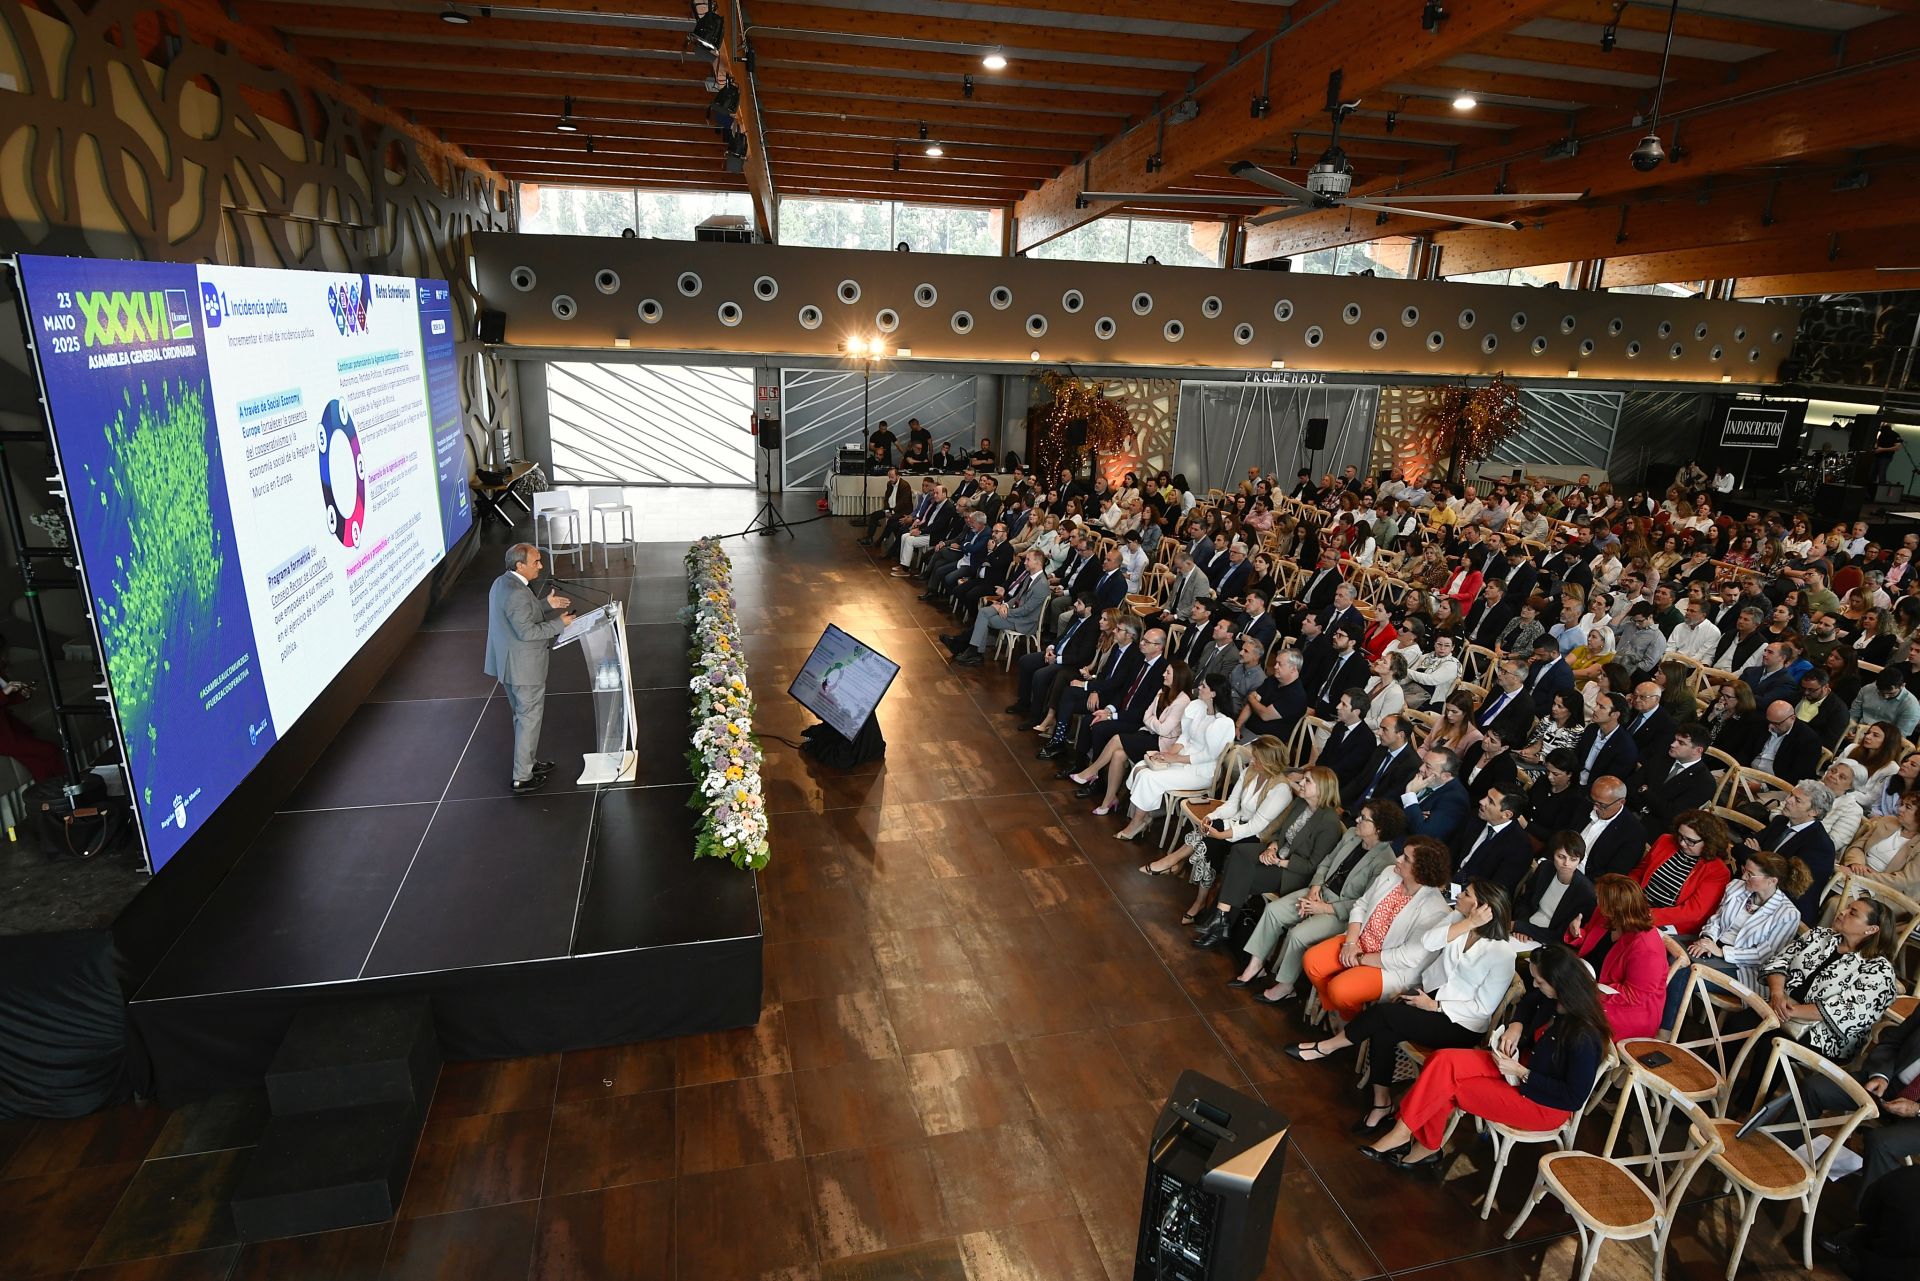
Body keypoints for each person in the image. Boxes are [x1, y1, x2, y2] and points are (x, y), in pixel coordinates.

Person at [1289, 880, 1517, 1138]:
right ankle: (1381, 1102)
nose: (1459, 895)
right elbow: (1429, 942)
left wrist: (1436, 1006)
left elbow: (1483, 1008)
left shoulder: (1502, 954)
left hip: (1459, 1023)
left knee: (1385, 1014)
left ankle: (1328, 1047)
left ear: (1478, 906)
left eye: (1465, 894)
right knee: (1384, 1030)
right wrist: (1467, 924)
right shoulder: (1458, 920)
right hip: (1428, 996)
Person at [1359, 943, 1610, 1172]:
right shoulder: (1551, 997)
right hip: (1521, 1065)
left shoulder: (1584, 1036)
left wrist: (1523, 1074)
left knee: (1448, 1085)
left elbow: (1574, 1098)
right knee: (1442, 1060)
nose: (1534, 985)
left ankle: (1414, 1138)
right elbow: (1527, 1001)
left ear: (1560, 983)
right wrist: (1517, 1025)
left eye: (1539, 981)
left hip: (1542, 1102)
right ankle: (1412, 1137)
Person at [1729, 896, 1900, 1111]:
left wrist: (1789, 1011)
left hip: (1827, 1035)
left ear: (1871, 929)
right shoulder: (1821, 935)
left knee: (1772, 1047)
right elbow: (1780, 961)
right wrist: (1777, 994)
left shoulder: (1879, 971)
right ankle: (1716, 1083)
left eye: (1853, 912)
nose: (1842, 911)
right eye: (1847, 907)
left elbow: (1843, 1011)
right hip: (1781, 1007)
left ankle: (1745, 1110)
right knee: (1738, 1025)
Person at [1232, 801, 1407, 1002]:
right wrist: (1315, 888)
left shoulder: (1385, 862)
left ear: (1379, 829)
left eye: (1364, 818)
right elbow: (1326, 862)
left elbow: (1364, 903)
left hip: (1341, 912)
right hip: (1319, 891)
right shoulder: (1351, 834)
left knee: (1298, 935)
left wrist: (1324, 907)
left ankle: (1286, 986)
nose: (1357, 819)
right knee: (1273, 910)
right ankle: (1256, 966)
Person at [1299, 835, 1454, 1022]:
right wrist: (1350, 943)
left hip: (1388, 965)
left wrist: (1360, 958)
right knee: (1311, 961)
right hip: (1359, 941)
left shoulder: (1436, 910)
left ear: (1421, 871)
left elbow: (1406, 957)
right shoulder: (1390, 873)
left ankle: (1345, 1018)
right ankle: (1346, 1014)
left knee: (1338, 990)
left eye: (1406, 858)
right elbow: (1361, 905)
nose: (1397, 859)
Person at [1187, 764, 1343, 943]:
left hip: (1292, 872)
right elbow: (1281, 831)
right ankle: (1220, 922)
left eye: (1308, 781)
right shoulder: (1301, 803)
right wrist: (1272, 847)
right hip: (1279, 853)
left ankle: (1218, 923)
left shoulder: (1329, 822)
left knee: (1240, 872)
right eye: (1303, 778)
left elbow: (1311, 866)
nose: (1301, 782)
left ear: (1322, 788)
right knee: (1238, 852)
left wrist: (1278, 861)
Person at [483, 543, 574, 795]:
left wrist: (545, 604)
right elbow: (528, 631)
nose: (541, 566)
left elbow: (519, 614)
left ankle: (529, 763)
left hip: (508, 665)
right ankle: (522, 777)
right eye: (536, 562)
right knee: (528, 719)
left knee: (522, 718)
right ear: (520, 565)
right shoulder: (518, 593)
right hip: (524, 668)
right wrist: (560, 623)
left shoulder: (502, 583)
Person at [1112, 674, 1239, 842]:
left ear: (1214, 694)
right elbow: (1185, 737)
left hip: (1201, 772)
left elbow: (1208, 756)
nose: (1199, 688)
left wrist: (1175, 760)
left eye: (1204, 687)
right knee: (1141, 766)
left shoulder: (1223, 723)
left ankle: (1137, 822)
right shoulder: (1199, 708)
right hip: (1182, 759)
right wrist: (1169, 754)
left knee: (1148, 777)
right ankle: (1147, 815)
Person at [1068, 657, 1190, 815]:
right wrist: (1153, 721)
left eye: (1168, 673)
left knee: (1118, 738)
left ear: (1179, 677)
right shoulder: (1162, 691)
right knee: (1118, 755)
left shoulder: (1183, 701)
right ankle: (1109, 801)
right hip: (1148, 734)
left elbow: (1163, 730)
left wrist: (1151, 721)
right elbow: (1147, 715)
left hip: (1162, 744)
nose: (1163, 675)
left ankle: (1092, 771)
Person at [1563, 873, 1667, 1039]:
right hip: (1590, 978)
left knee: (1569, 1010)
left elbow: (1635, 994)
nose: (1597, 902)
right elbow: (1591, 938)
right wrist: (1577, 933)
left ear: (1616, 909)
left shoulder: (1646, 948)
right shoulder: (1605, 914)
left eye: (1600, 899)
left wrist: (1589, 991)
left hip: (1628, 1009)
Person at [1511, 832, 1596, 945]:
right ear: (1553, 854)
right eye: (1561, 857)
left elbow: (1560, 935)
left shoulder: (1586, 892)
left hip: (1547, 941)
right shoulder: (1545, 868)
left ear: (1580, 860)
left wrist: (1521, 927)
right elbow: (1525, 900)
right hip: (1525, 927)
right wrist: (1522, 925)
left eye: (1573, 859)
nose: (1566, 863)